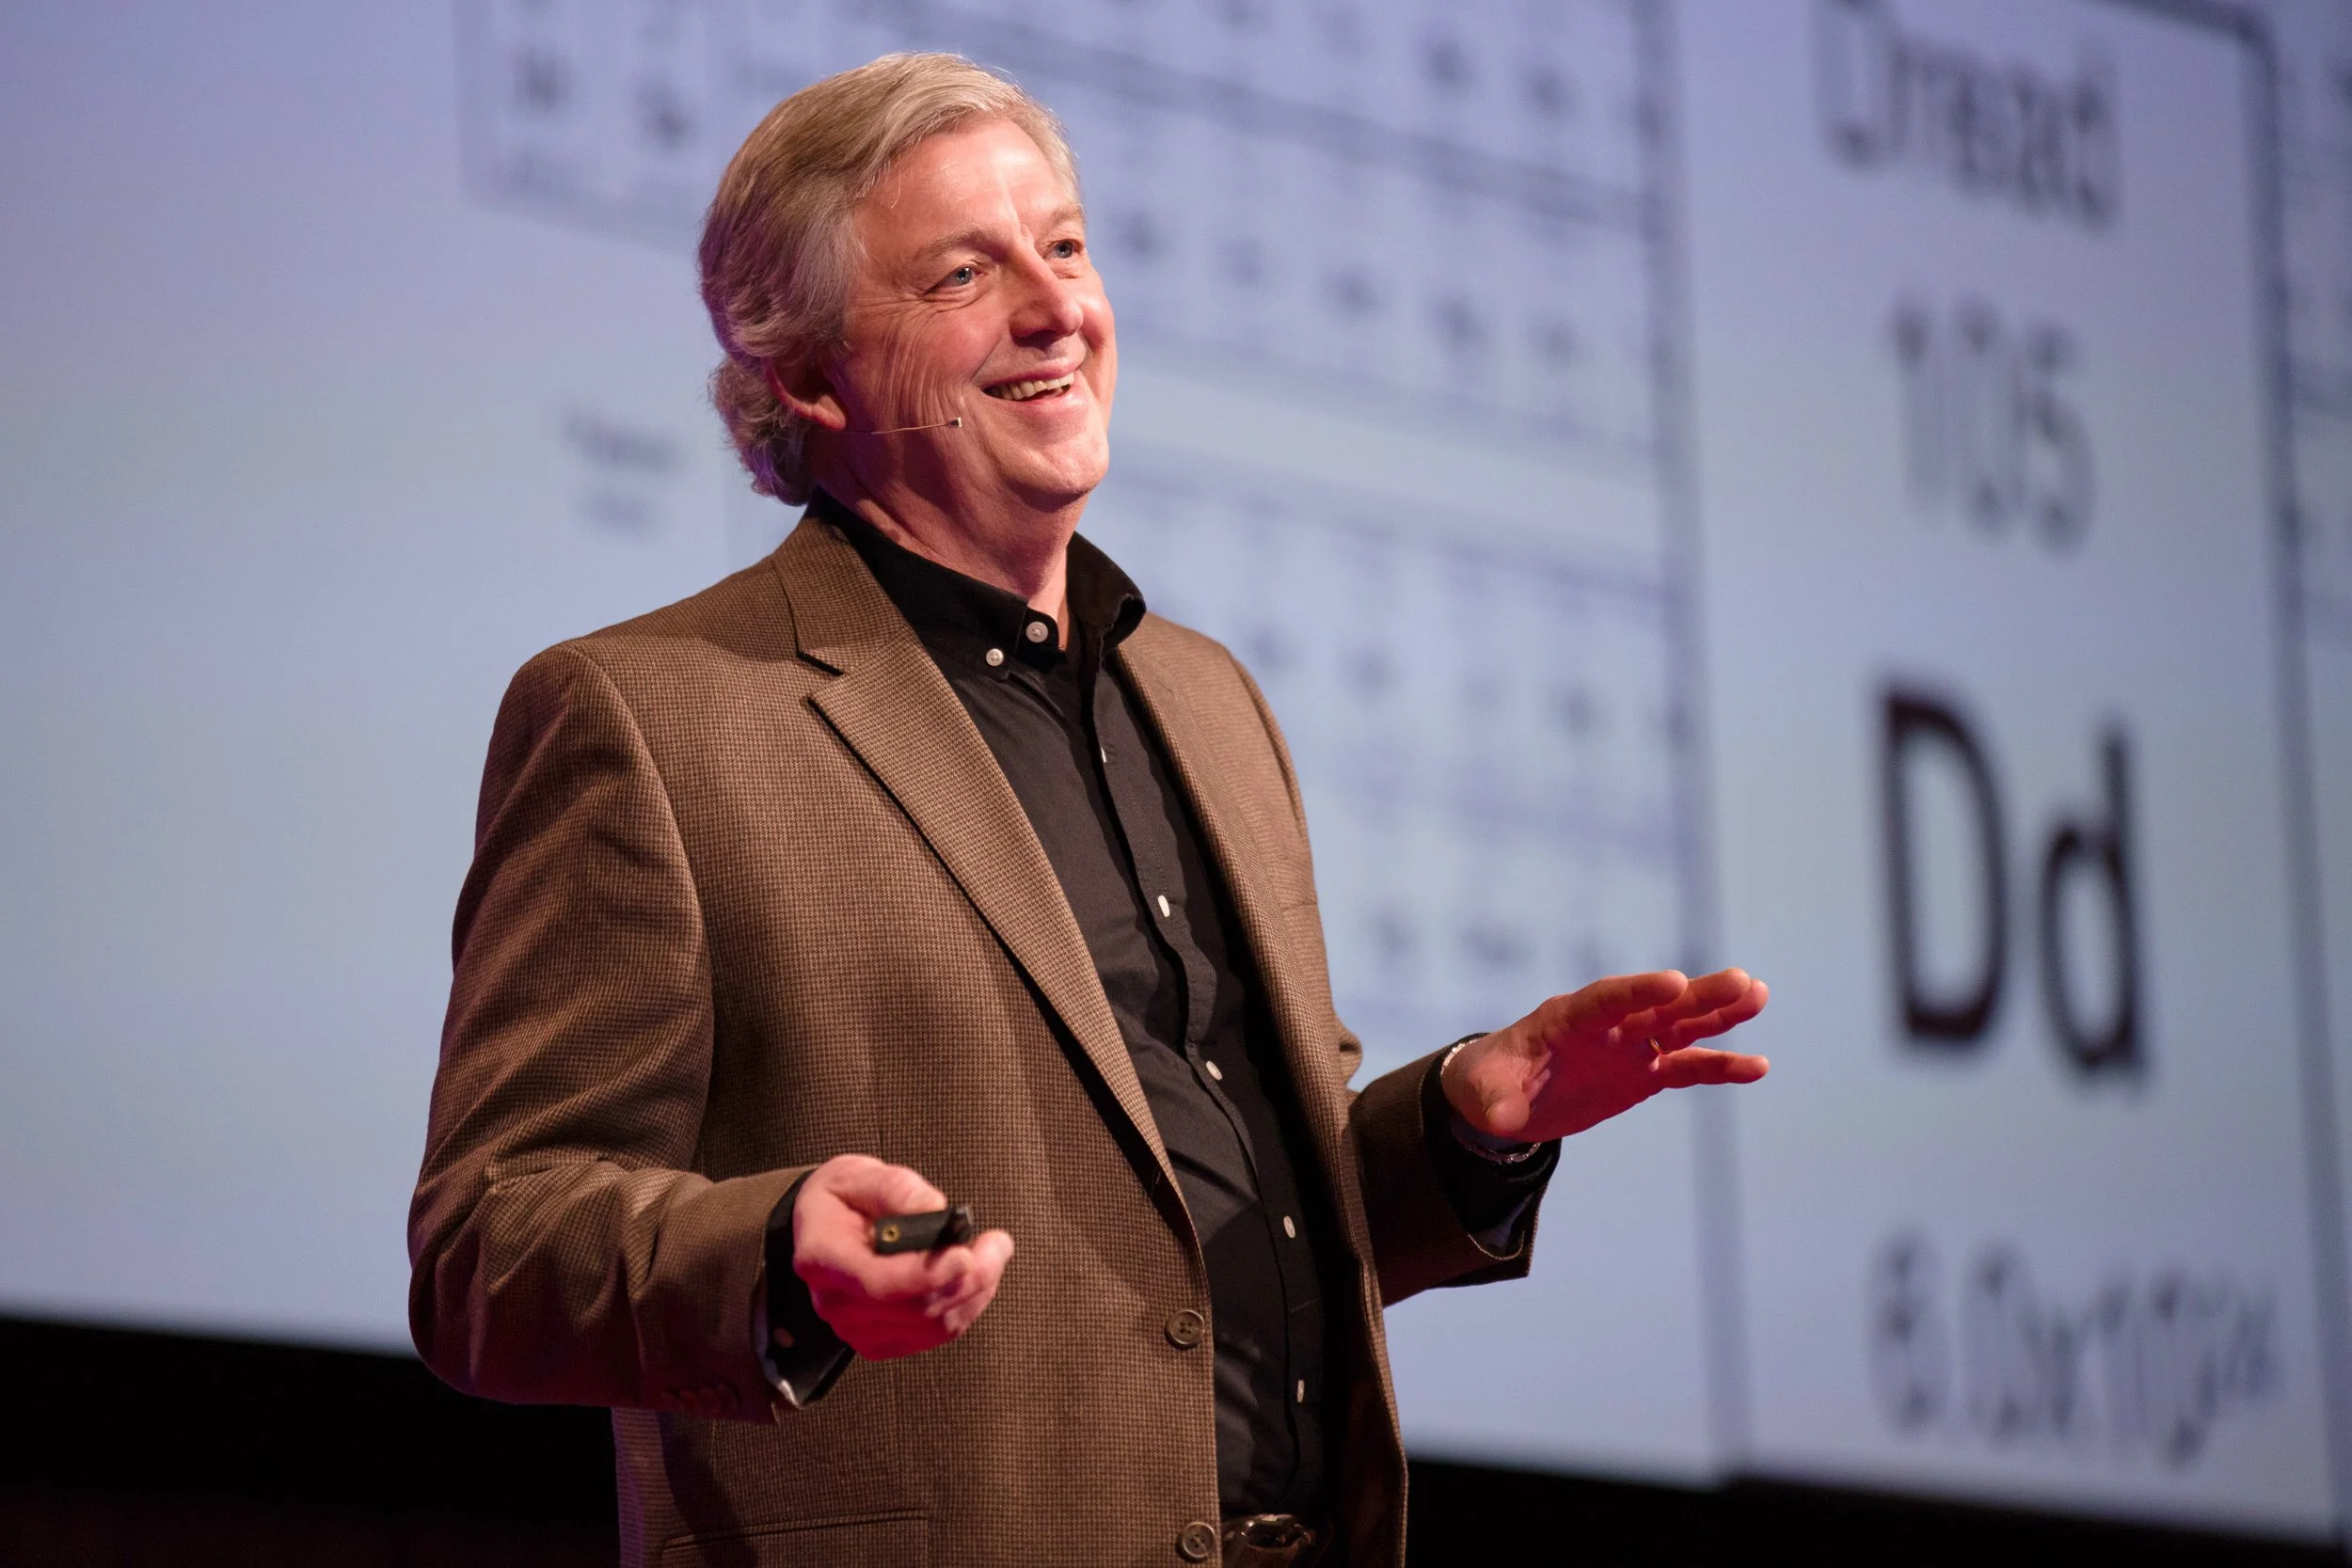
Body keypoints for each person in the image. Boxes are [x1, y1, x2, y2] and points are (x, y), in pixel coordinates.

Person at [408, 52, 1769, 1568]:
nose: (1057, 306)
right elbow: (490, 1239)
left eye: (1063, 246)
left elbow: (1210, 1245)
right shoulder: (652, 717)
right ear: (806, 374)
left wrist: (1463, 1126)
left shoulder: (1210, 702)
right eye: (964, 274)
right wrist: (779, 1254)